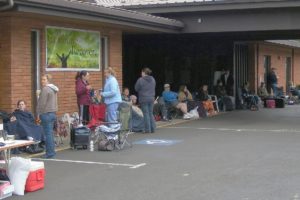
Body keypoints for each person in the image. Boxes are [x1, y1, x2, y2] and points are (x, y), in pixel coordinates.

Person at [37, 74, 58, 158]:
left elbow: (42, 104)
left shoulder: (45, 89)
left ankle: (49, 153)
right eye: (42, 79)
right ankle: (52, 151)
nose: (42, 81)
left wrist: (38, 113)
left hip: (46, 113)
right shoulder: (53, 89)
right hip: (53, 113)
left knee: (47, 134)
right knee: (50, 134)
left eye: (44, 80)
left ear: (48, 80)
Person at [135, 68, 156, 133]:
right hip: (151, 98)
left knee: (146, 114)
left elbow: (136, 88)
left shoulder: (140, 80)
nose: (141, 73)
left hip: (144, 98)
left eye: (142, 72)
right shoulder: (153, 79)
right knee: (150, 113)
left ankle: (147, 129)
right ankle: (153, 129)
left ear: (144, 72)